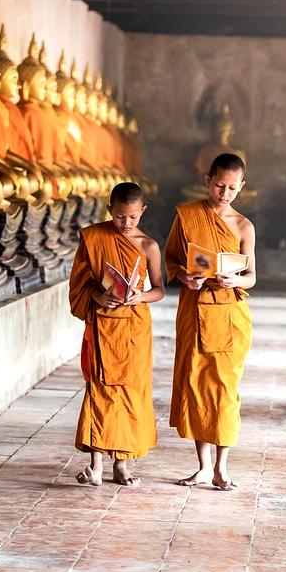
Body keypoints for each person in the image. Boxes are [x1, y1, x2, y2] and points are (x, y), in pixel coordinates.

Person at [166, 152, 256, 491]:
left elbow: (251, 277)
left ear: (241, 187)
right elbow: (172, 260)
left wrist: (235, 281)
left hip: (228, 316)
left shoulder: (244, 226)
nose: (224, 194)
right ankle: (203, 467)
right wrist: (184, 277)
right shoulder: (187, 216)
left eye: (232, 188)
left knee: (224, 391)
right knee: (197, 386)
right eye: (219, 185)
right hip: (194, 309)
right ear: (208, 181)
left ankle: (222, 467)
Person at [68, 182, 164, 486]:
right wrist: (97, 296)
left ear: (142, 212)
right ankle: (96, 465)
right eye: (121, 217)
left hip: (134, 327)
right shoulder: (94, 237)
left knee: (131, 393)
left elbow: (160, 289)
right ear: (110, 210)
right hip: (103, 325)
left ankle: (122, 464)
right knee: (100, 390)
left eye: (133, 218)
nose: (126, 224)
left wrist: (140, 296)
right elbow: (79, 284)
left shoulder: (148, 246)